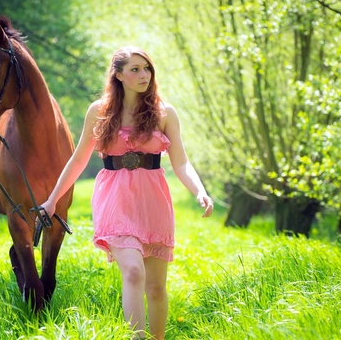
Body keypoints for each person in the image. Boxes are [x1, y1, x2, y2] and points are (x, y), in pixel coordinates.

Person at [39, 46, 214, 339]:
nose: (143, 74)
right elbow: (79, 159)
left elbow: (181, 162)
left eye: (147, 69)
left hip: (153, 200)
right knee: (133, 271)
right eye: (135, 69)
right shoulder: (99, 112)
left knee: (156, 287)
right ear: (118, 75)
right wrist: (52, 199)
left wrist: (200, 191)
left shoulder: (164, 113)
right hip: (114, 198)